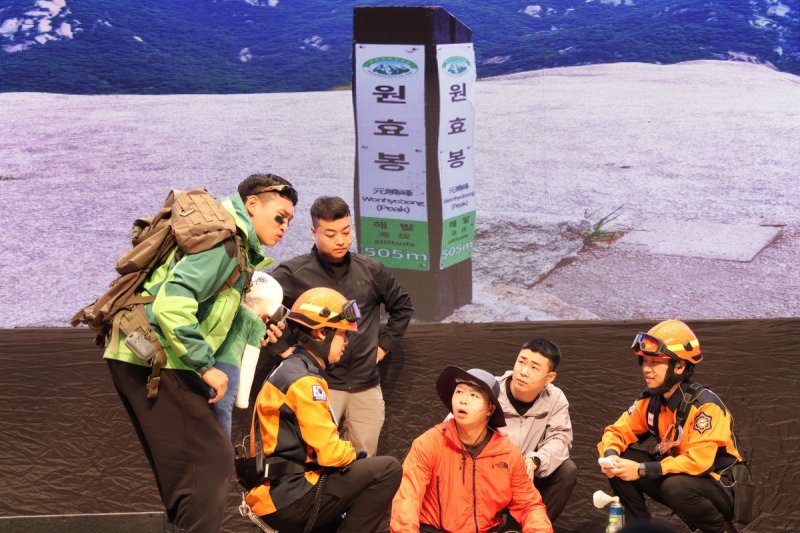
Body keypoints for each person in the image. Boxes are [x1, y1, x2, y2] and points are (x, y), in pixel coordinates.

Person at [103, 173, 298, 533]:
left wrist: (254, 325)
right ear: (252, 204)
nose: (285, 226)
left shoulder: (229, 243)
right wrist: (205, 365)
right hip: (158, 357)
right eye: (280, 216)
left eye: (289, 220)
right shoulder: (224, 243)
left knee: (188, 478)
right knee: (211, 463)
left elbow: (210, 311)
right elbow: (172, 305)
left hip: (137, 352)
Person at [243, 287, 402, 532]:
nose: (346, 342)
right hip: (289, 497)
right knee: (387, 469)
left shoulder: (291, 369)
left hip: (280, 492)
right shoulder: (305, 380)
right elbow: (330, 454)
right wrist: (354, 455)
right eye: (342, 334)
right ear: (321, 332)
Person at [267, 195, 413, 456]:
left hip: (365, 386)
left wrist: (383, 346)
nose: (341, 240)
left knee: (364, 462)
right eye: (331, 234)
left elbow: (403, 306)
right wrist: (283, 351)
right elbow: (261, 305)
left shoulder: (370, 270)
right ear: (314, 233)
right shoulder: (295, 272)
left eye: (346, 231)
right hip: (317, 385)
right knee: (316, 459)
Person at [597, 319, 745, 533]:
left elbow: (698, 463)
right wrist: (612, 457)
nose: (646, 369)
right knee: (622, 462)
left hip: (721, 484)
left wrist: (641, 470)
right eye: (644, 361)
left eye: (655, 362)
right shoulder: (651, 401)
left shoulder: (705, 407)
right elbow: (616, 431)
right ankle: (637, 529)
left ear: (679, 366)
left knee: (675, 487)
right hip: (683, 477)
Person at [390, 366, 553, 533]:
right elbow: (406, 501)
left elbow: (529, 505)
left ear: (490, 409)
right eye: (459, 392)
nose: (463, 400)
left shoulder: (508, 454)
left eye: (474, 395)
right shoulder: (429, 443)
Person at [497, 338, 577, 524]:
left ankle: (530, 528)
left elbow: (560, 438)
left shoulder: (555, 398)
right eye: (521, 362)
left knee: (567, 470)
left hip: (526, 475)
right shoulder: (489, 388)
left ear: (549, 377)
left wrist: (536, 460)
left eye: (534, 368)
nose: (523, 372)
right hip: (487, 474)